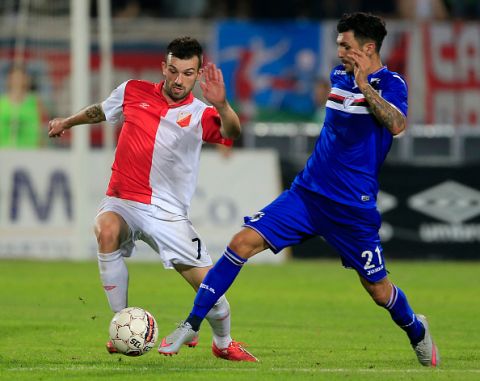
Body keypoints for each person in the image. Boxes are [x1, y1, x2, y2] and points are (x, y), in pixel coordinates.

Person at [159, 13, 440, 367]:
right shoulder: (338, 76)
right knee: (240, 243)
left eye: (346, 45)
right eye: (339, 45)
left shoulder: (391, 83)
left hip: (352, 207)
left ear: (369, 48)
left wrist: (366, 86)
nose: (339, 51)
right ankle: (192, 324)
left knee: (379, 290)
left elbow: (397, 125)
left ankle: (416, 329)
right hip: (307, 194)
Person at [48, 36, 257, 362]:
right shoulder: (132, 90)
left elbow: (232, 133)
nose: (178, 80)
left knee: (214, 295)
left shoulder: (201, 113)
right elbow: (100, 111)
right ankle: (120, 324)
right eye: (173, 70)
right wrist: (67, 122)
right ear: (163, 67)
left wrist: (223, 105)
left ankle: (223, 342)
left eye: (188, 73)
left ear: (198, 74)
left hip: (168, 214)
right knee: (105, 230)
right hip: (123, 200)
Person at [0, 64, 47, 148]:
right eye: (15, 78)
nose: (18, 81)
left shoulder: (36, 102)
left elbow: (43, 129)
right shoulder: (1, 102)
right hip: (4, 152)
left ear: (26, 79)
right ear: (9, 80)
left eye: (21, 77)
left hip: (30, 152)